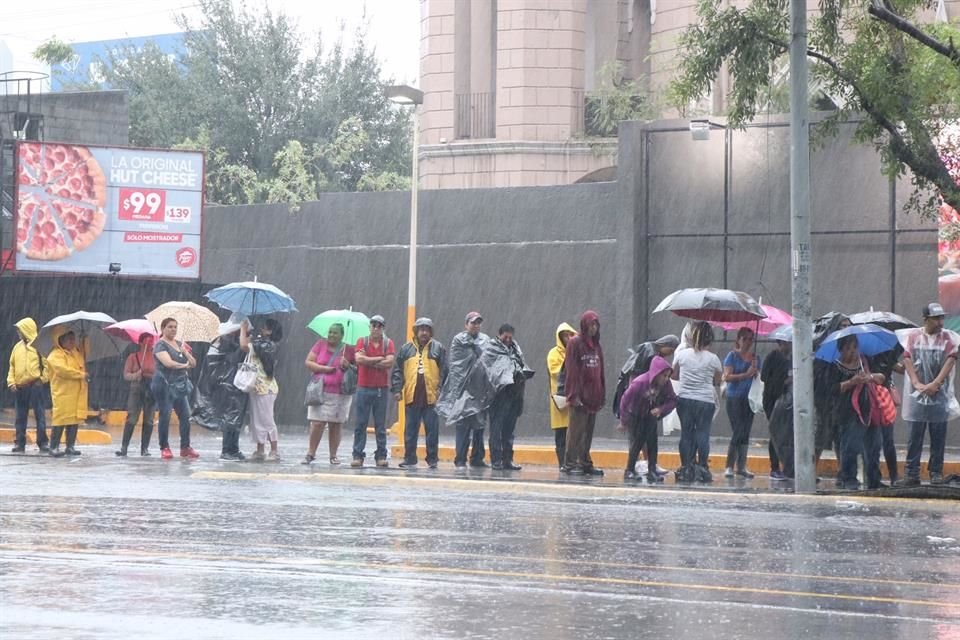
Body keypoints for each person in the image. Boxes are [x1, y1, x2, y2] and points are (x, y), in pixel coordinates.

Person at [900, 303, 958, 486]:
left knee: (938, 435)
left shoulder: (948, 338)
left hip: (938, 394)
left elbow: (950, 360)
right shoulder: (914, 337)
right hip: (917, 395)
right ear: (926, 319)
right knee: (915, 435)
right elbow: (907, 358)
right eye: (936, 318)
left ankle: (935, 473)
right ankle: (911, 473)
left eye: (942, 318)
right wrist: (916, 383)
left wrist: (935, 384)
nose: (940, 322)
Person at [827, 334, 884, 490]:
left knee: (874, 447)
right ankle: (849, 478)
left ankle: (873, 479)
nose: (852, 351)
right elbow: (832, 389)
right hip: (847, 413)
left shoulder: (865, 361)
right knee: (850, 446)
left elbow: (881, 377)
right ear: (840, 350)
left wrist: (869, 377)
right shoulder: (835, 366)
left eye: (854, 347)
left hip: (869, 410)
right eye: (848, 348)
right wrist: (852, 382)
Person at [437, 312, 491, 469]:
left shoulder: (485, 340)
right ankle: (460, 459)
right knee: (463, 426)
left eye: (478, 323)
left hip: (480, 390)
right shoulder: (459, 340)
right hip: (463, 390)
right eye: (473, 323)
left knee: (480, 426)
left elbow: (486, 361)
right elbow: (457, 366)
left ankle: (477, 458)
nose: (476, 326)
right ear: (466, 324)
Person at [393, 317, 447, 469]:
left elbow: (444, 372)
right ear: (416, 331)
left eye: (427, 329)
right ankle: (410, 458)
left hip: (432, 398)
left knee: (432, 431)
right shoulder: (406, 349)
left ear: (431, 332)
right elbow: (398, 371)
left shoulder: (438, 348)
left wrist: (441, 391)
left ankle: (432, 459)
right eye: (421, 329)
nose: (424, 332)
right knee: (410, 430)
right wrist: (397, 389)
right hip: (412, 396)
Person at [672, 321, 722, 482]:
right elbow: (717, 381)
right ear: (710, 340)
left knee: (686, 434)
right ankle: (702, 467)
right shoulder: (713, 359)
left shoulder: (682, 355)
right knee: (703, 434)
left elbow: (674, 375)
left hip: (685, 399)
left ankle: (686, 466)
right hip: (705, 401)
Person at [303, 323, 356, 465]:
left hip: (341, 393)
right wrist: (324, 369)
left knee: (336, 425)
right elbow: (309, 362)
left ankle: (333, 455)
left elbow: (358, 368)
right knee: (317, 423)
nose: (331, 335)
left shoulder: (348, 349)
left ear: (342, 335)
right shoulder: (320, 344)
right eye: (330, 332)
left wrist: (348, 365)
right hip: (320, 391)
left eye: (335, 333)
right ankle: (311, 453)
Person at [193, 322, 247, 461]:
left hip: (232, 385)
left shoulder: (223, 342)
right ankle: (228, 450)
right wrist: (243, 330)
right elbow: (241, 349)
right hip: (228, 386)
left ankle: (233, 449)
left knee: (234, 419)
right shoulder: (225, 342)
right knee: (230, 419)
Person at [619, 355, 677, 483]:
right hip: (635, 414)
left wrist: (661, 410)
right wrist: (623, 421)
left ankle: (652, 469)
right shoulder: (640, 383)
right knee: (637, 443)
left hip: (651, 415)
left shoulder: (666, 385)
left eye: (668, 376)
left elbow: (672, 400)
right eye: (664, 376)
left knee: (652, 443)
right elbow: (625, 400)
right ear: (656, 374)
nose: (666, 379)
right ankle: (629, 470)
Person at [563, 310, 605, 477]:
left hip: (593, 396)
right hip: (579, 397)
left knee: (588, 433)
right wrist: (573, 395)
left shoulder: (596, 345)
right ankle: (570, 463)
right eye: (591, 325)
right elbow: (572, 370)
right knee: (575, 432)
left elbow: (600, 371)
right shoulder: (575, 343)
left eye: (596, 325)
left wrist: (601, 392)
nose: (593, 328)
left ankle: (585, 462)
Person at [351, 315, 396, 468]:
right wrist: (378, 359)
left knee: (380, 425)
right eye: (374, 325)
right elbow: (359, 360)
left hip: (381, 389)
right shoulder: (362, 341)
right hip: (363, 387)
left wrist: (369, 360)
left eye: (379, 326)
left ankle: (381, 455)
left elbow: (389, 362)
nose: (376, 328)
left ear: (383, 328)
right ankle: (357, 455)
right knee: (360, 424)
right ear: (369, 327)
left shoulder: (388, 343)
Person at [151, 317, 199, 460]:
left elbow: (194, 363)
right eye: (170, 327)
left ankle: (185, 447)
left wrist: (185, 353)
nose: (173, 329)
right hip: (164, 384)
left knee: (185, 415)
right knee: (165, 414)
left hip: (179, 385)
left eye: (175, 327)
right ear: (163, 328)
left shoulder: (179, 344)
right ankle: (164, 447)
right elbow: (168, 363)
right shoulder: (160, 345)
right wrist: (184, 366)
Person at [485, 324, 530, 471]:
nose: (508, 340)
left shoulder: (515, 349)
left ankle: (507, 459)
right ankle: (496, 460)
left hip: (514, 394)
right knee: (496, 429)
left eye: (511, 337)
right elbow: (490, 369)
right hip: (498, 396)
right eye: (506, 337)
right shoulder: (492, 348)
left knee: (509, 430)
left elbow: (520, 364)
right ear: (499, 335)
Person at [814, 313, 851, 481]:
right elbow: (822, 381)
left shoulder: (850, 349)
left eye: (847, 326)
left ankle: (842, 471)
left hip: (843, 402)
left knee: (841, 438)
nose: (846, 329)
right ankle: (810, 470)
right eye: (842, 326)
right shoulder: (826, 351)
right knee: (820, 437)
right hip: (825, 401)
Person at [241, 318, 282, 462]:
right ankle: (260, 449)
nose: (261, 330)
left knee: (267, 419)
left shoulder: (266, 345)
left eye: (264, 328)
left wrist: (243, 329)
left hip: (265, 387)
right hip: (258, 387)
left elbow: (244, 346)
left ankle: (274, 450)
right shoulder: (263, 344)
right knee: (257, 420)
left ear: (270, 331)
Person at [723, 327, 761, 479]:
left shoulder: (755, 358)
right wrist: (745, 374)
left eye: (751, 339)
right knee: (738, 431)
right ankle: (729, 465)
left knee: (745, 432)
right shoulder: (732, 356)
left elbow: (758, 378)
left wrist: (755, 372)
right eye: (745, 338)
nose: (748, 342)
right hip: (734, 398)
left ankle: (742, 466)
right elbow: (727, 376)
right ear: (738, 340)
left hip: (749, 398)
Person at [7, 317, 49, 453]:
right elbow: (12, 366)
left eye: (20, 329)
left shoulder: (38, 345)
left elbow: (47, 365)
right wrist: (11, 382)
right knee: (20, 416)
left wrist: (42, 379)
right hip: (20, 387)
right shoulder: (17, 347)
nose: (19, 332)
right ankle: (20, 442)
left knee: (39, 414)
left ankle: (42, 442)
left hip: (35, 385)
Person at [46, 328, 89, 457]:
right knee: (60, 420)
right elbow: (63, 371)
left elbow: (85, 354)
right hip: (62, 393)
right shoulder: (55, 355)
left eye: (73, 339)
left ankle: (70, 446)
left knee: (73, 420)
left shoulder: (75, 352)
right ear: (61, 340)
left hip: (76, 393)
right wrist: (81, 375)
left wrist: (84, 340)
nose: (72, 342)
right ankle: (53, 447)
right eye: (69, 339)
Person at [867, 343, 904, 485]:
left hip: (885, 400)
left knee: (887, 440)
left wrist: (909, 358)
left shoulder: (888, 355)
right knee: (874, 442)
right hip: (870, 400)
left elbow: (899, 368)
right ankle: (874, 478)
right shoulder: (865, 356)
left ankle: (893, 476)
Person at [116, 333, 156, 457]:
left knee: (149, 419)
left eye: (151, 341)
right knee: (132, 418)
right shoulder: (133, 357)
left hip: (151, 389)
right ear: (140, 343)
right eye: (147, 341)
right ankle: (124, 447)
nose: (149, 344)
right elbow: (126, 375)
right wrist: (136, 375)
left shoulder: (156, 357)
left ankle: (145, 448)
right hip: (137, 389)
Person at [547, 322, 577, 468]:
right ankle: (562, 462)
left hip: (574, 397)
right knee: (561, 433)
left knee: (574, 433)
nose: (568, 338)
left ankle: (572, 461)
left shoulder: (576, 351)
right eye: (565, 336)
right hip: (560, 398)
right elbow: (556, 371)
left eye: (570, 335)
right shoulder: (554, 353)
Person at [761, 338, 792, 479]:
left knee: (787, 434)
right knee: (775, 433)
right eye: (786, 343)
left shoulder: (792, 358)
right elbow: (765, 377)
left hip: (787, 400)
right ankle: (774, 466)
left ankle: (788, 466)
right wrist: (784, 381)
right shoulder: (773, 357)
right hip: (772, 399)